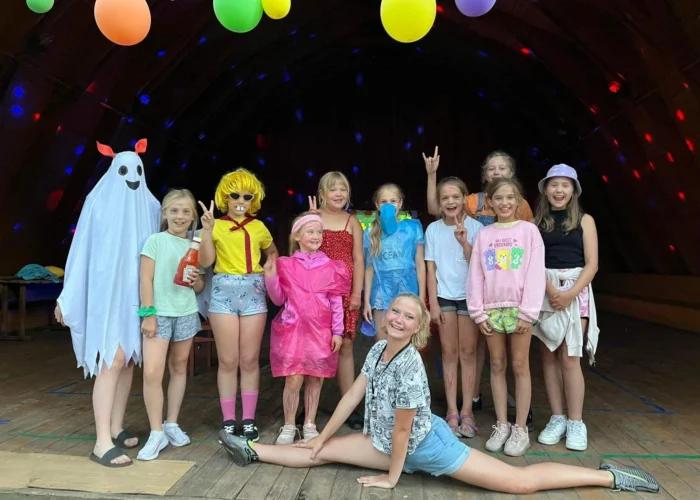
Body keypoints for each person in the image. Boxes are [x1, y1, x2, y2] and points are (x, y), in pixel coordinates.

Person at [217, 293, 659, 495]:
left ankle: (610, 477)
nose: (398, 319)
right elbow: (351, 397)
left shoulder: (410, 366)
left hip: (427, 448)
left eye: (408, 317)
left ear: (418, 328)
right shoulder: (378, 350)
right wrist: (322, 436)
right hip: (384, 442)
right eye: (395, 311)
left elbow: (405, 431)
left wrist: (392, 478)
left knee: (518, 483)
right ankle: (250, 448)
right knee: (318, 451)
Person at [55, 140, 160, 466]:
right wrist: (68, 296)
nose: (133, 177)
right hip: (108, 295)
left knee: (127, 360)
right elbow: (81, 249)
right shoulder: (97, 204)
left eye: (137, 170)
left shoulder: (150, 206)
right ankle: (101, 441)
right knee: (111, 359)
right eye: (125, 170)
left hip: (136, 296)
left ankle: (115, 426)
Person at [424, 147, 534, 415]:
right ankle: (472, 397)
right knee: (480, 350)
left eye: (502, 168)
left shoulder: (521, 208)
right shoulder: (473, 203)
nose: (496, 172)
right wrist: (432, 175)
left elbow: (529, 250)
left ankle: (517, 404)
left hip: (506, 290)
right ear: (484, 174)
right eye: (491, 168)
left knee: (513, 356)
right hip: (479, 291)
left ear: (512, 173)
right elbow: (437, 208)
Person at [198, 168, 279, 442]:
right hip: (223, 291)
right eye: (235, 195)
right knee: (228, 360)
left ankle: (249, 419)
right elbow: (205, 262)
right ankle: (229, 420)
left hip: (253, 290)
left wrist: (271, 269)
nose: (240, 200)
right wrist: (207, 231)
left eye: (247, 196)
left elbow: (272, 252)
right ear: (225, 197)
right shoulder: (216, 226)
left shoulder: (259, 227)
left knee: (249, 360)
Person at [467, 178, 545, 456]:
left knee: (520, 365)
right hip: (491, 309)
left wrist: (528, 312)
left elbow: (536, 272)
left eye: (510, 197)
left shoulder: (529, 231)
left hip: (519, 309)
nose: (505, 203)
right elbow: (476, 274)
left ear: (519, 200)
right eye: (498, 198)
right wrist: (477, 312)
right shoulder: (484, 235)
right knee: (497, 364)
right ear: (490, 202)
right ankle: (501, 424)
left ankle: (520, 428)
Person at [263, 212, 350, 444]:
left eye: (319, 232)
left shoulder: (331, 267)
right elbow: (278, 299)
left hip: (321, 331)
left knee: (316, 377)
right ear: (297, 236)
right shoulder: (286, 265)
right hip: (293, 331)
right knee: (293, 378)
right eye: (310, 231)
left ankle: (309, 423)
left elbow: (336, 302)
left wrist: (338, 331)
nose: (316, 236)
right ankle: (289, 424)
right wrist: (271, 277)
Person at [533, 164, 599, 452]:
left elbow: (592, 264)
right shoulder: (536, 223)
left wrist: (570, 293)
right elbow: (533, 262)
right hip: (544, 288)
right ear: (545, 189)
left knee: (570, 357)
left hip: (576, 289)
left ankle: (575, 422)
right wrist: (551, 291)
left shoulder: (585, 221)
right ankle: (557, 418)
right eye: (554, 184)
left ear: (574, 190)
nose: (559, 190)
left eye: (565, 185)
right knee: (548, 356)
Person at [137, 189, 205, 460]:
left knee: (179, 368)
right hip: (160, 313)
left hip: (186, 311)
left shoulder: (194, 245)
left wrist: (196, 281)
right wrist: (148, 314)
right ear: (164, 213)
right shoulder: (155, 241)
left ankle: (172, 423)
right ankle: (156, 432)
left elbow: (198, 286)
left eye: (186, 211)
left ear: (193, 217)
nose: (180, 216)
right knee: (152, 373)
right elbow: (145, 279)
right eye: (174, 210)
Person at [425, 177, 483, 438]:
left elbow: (478, 265)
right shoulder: (433, 230)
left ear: (464, 199)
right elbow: (431, 269)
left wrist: (464, 242)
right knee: (449, 353)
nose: (450, 202)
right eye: (445, 198)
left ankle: (467, 411)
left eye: (455, 197)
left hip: (470, 297)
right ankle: (451, 410)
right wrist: (433, 303)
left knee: (468, 353)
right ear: (439, 202)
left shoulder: (477, 228)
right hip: (444, 297)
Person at [311, 171, 364, 430]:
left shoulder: (352, 221)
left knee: (345, 347)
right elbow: (298, 252)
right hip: (316, 293)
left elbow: (359, 260)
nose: (339, 193)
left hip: (344, 294)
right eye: (333, 189)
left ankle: (349, 407)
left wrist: (357, 293)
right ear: (322, 193)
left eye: (343, 189)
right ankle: (308, 408)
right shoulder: (313, 217)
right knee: (315, 347)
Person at [363, 183, 426, 339]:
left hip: (408, 291)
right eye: (384, 202)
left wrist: (422, 298)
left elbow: (420, 264)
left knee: (406, 340)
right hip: (380, 294)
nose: (388, 205)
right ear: (377, 205)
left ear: (400, 203)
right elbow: (369, 268)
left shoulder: (413, 228)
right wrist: (367, 301)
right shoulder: (371, 232)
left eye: (393, 201)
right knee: (382, 341)